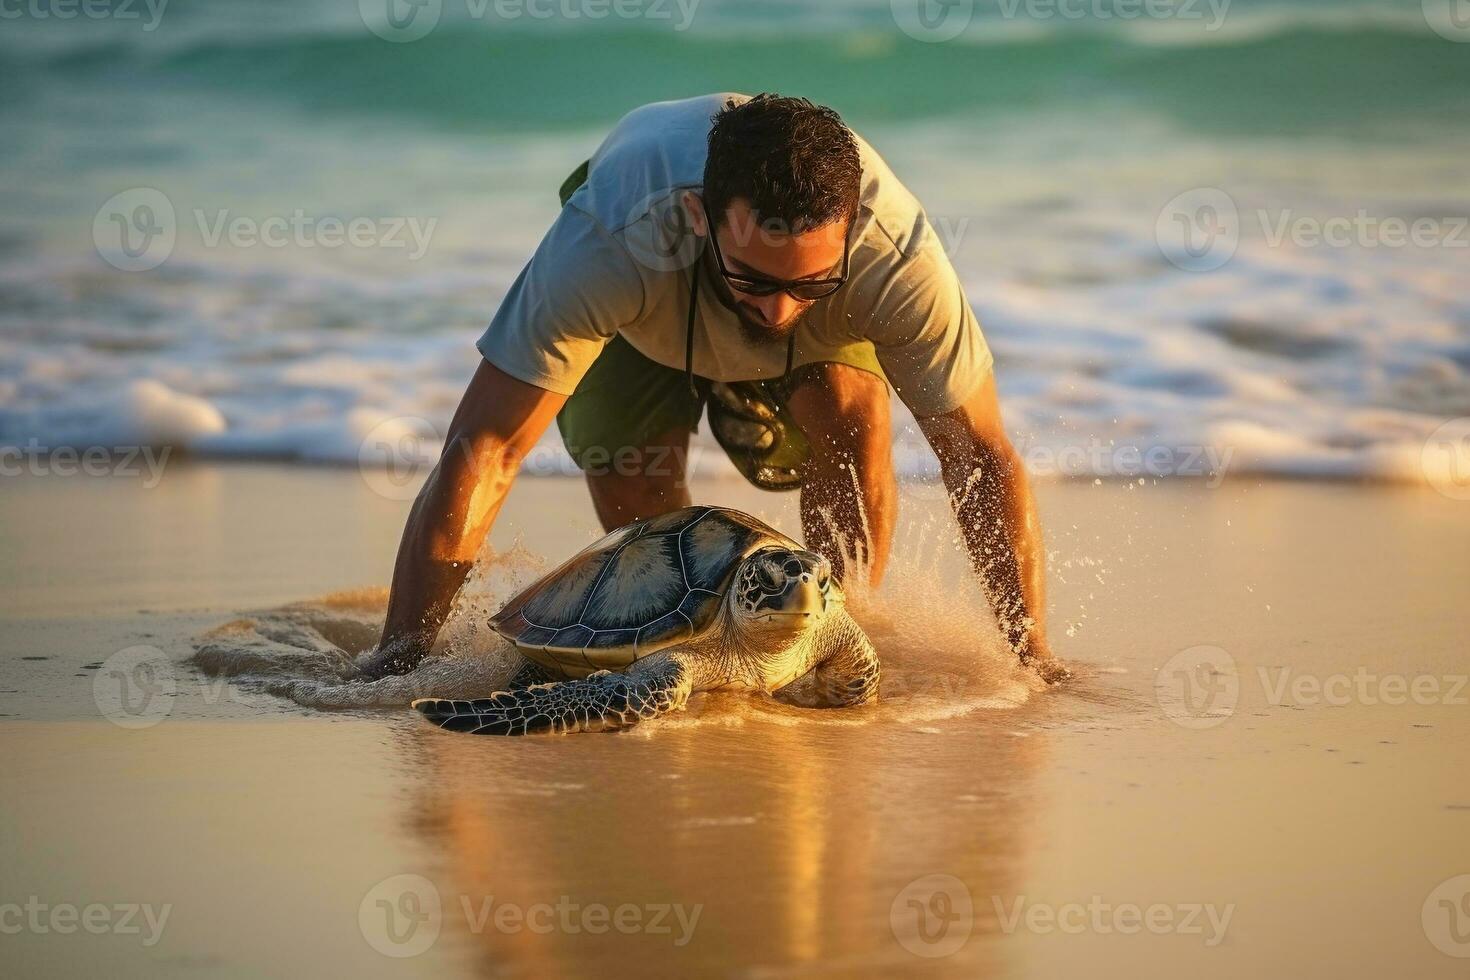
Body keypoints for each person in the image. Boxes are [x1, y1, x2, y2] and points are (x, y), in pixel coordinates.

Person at [361, 92, 1052, 678]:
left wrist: (1032, 658)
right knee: (635, 474)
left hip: (818, 322)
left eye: (808, 283)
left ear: (850, 234)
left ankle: (821, 643)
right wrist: (400, 660)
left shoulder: (893, 257)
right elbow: (486, 447)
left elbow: (981, 457)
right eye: (755, 279)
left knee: (850, 413)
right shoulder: (612, 238)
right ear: (698, 218)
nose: (780, 312)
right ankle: (678, 650)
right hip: (647, 314)